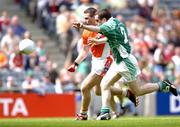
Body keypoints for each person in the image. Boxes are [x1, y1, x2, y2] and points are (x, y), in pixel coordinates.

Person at [73, 8, 178, 120]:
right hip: (118, 61)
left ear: (104, 19)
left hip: (125, 61)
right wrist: (98, 41)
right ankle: (105, 112)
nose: (97, 22)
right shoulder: (117, 22)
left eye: (98, 20)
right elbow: (111, 37)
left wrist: (82, 26)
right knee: (105, 84)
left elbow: (97, 28)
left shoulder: (108, 26)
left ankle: (163, 85)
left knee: (138, 91)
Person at [68, 7, 136, 120]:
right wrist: (75, 64)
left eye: (87, 18)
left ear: (95, 18)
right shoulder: (86, 32)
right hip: (95, 61)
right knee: (99, 91)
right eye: (84, 18)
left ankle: (83, 114)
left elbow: (108, 39)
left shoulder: (104, 28)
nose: (85, 20)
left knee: (85, 87)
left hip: (106, 61)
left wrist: (98, 40)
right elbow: (85, 51)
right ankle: (126, 94)